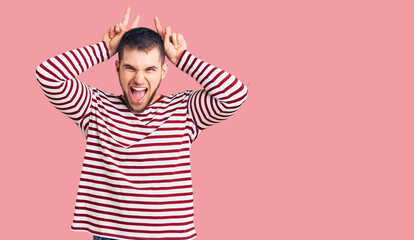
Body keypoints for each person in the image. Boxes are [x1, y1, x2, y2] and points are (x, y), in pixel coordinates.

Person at [36, 7, 248, 240]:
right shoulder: (94, 107)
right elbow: (48, 74)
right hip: (111, 236)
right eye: (130, 68)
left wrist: (182, 58)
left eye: (150, 69)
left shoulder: (185, 110)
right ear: (117, 68)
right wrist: (104, 49)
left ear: (164, 72)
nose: (139, 79)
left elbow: (234, 94)